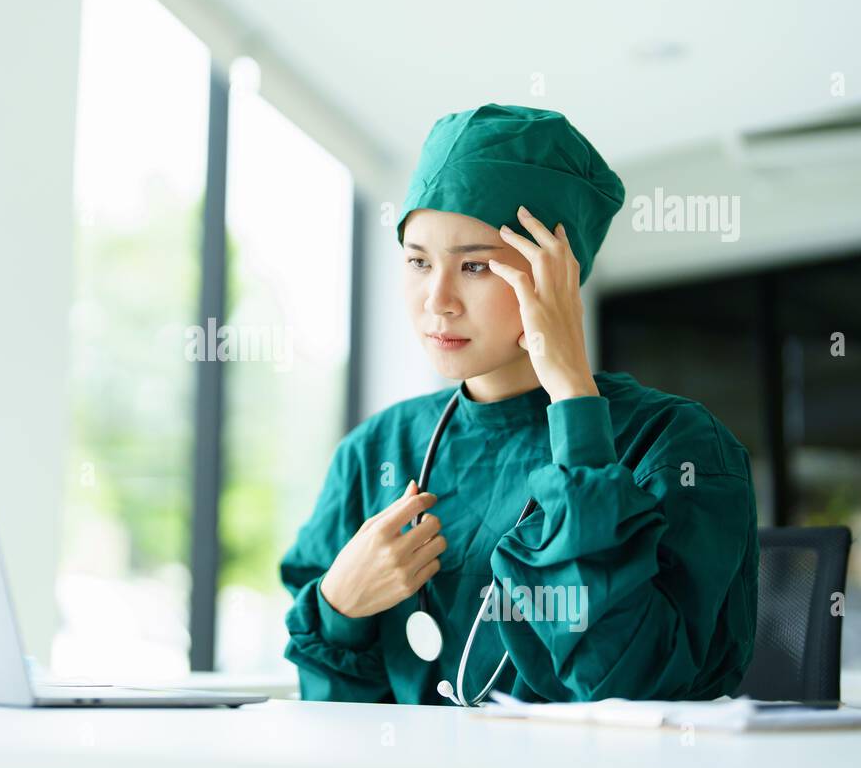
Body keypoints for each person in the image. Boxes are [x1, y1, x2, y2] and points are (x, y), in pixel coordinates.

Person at [279, 104, 759, 705]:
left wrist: (574, 405)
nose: (439, 300)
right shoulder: (373, 452)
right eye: (418, 261)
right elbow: (335, 719)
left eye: (475, 265)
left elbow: (631, 687)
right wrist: (338, 608)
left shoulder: (674, 444)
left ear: (556, 273)